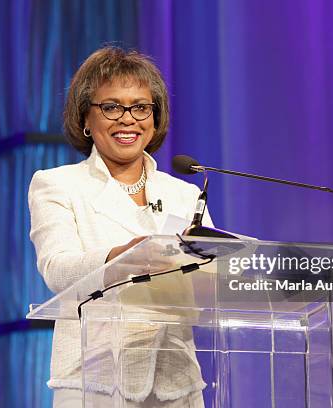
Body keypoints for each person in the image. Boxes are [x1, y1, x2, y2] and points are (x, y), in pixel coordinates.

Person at [28, 47, 213, 407]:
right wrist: (123, 257)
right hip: (95, 383)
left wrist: (223, 270)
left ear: (155, 119)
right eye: (111, 107)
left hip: (177, 385)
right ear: (85, 118)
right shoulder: (58, 184)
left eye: (141, 107)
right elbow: (57, 269)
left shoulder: (185, 193)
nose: (128, 119)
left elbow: (210, 285)